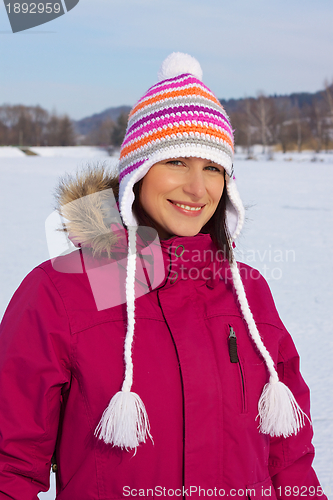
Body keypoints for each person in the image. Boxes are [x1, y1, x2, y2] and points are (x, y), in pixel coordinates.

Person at [0, 53, 326, 499]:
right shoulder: (61, 290)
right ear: (136, 173)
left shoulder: (247, 292)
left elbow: (288, 457)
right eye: (176, 162)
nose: (197, 188)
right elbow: (10, 464)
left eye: (212, 167)